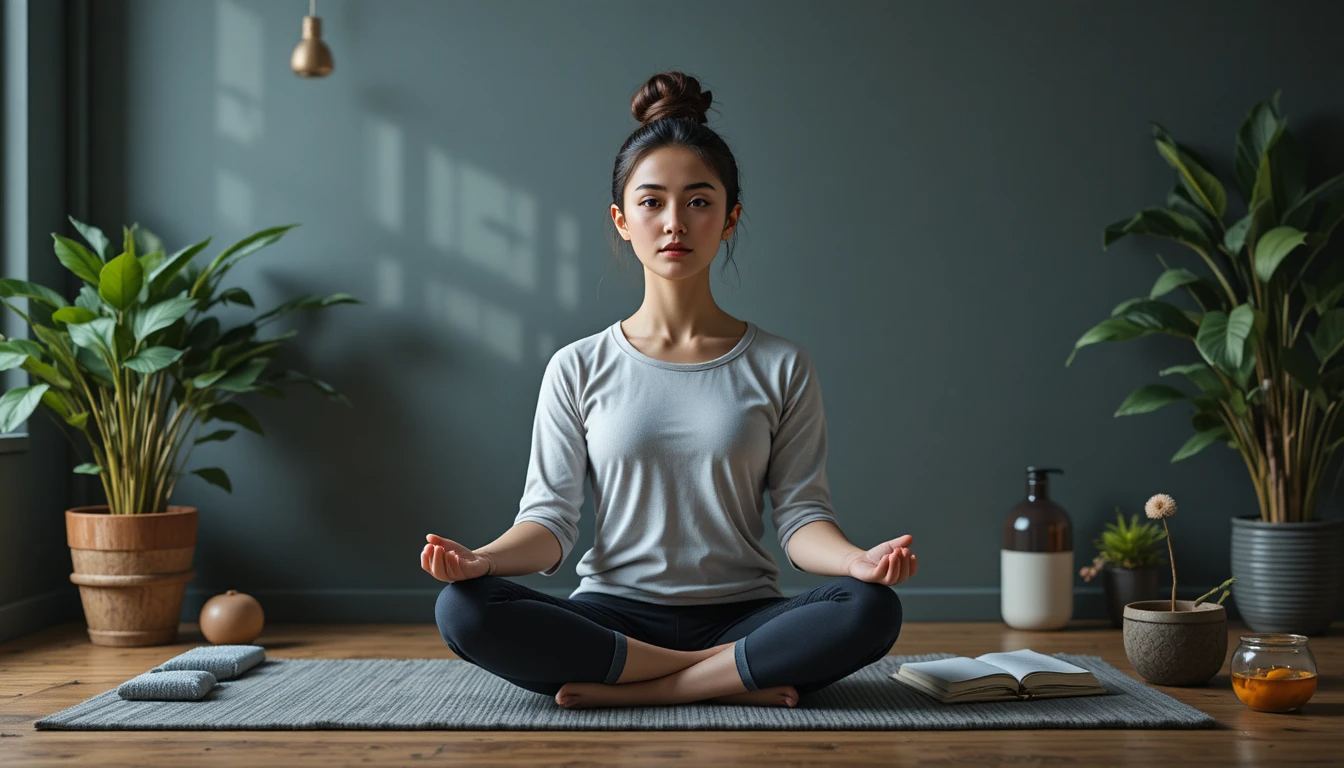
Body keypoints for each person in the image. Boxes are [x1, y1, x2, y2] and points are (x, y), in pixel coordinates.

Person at [423, 71, 915, 711]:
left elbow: (799, 520)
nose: (675, 222)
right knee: (463, 609)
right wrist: (478, 560)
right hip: (611, 618)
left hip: (745, 618)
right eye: (652, 202)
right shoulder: (578, 365)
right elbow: (548, 524)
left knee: (870, 607)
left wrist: (857, 562)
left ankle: (633, 691)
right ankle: (727, 679)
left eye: (700, 201)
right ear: (621, 219)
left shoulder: (781, 364)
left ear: (730, 218)